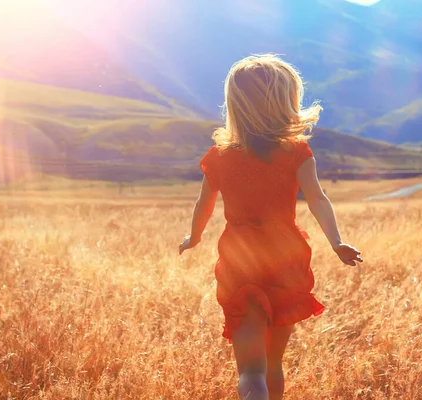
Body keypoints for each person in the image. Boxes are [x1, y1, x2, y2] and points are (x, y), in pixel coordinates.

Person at [179, 54, 362, 400]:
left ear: (235, 104)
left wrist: (195, 237)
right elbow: (318, 199)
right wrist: (337, 242)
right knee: (274, 364)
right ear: (284, 103)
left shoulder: (219, 156)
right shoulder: (296, 153)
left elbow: (203, 204)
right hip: (285, 257)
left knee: (251, 370)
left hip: (239, 259)